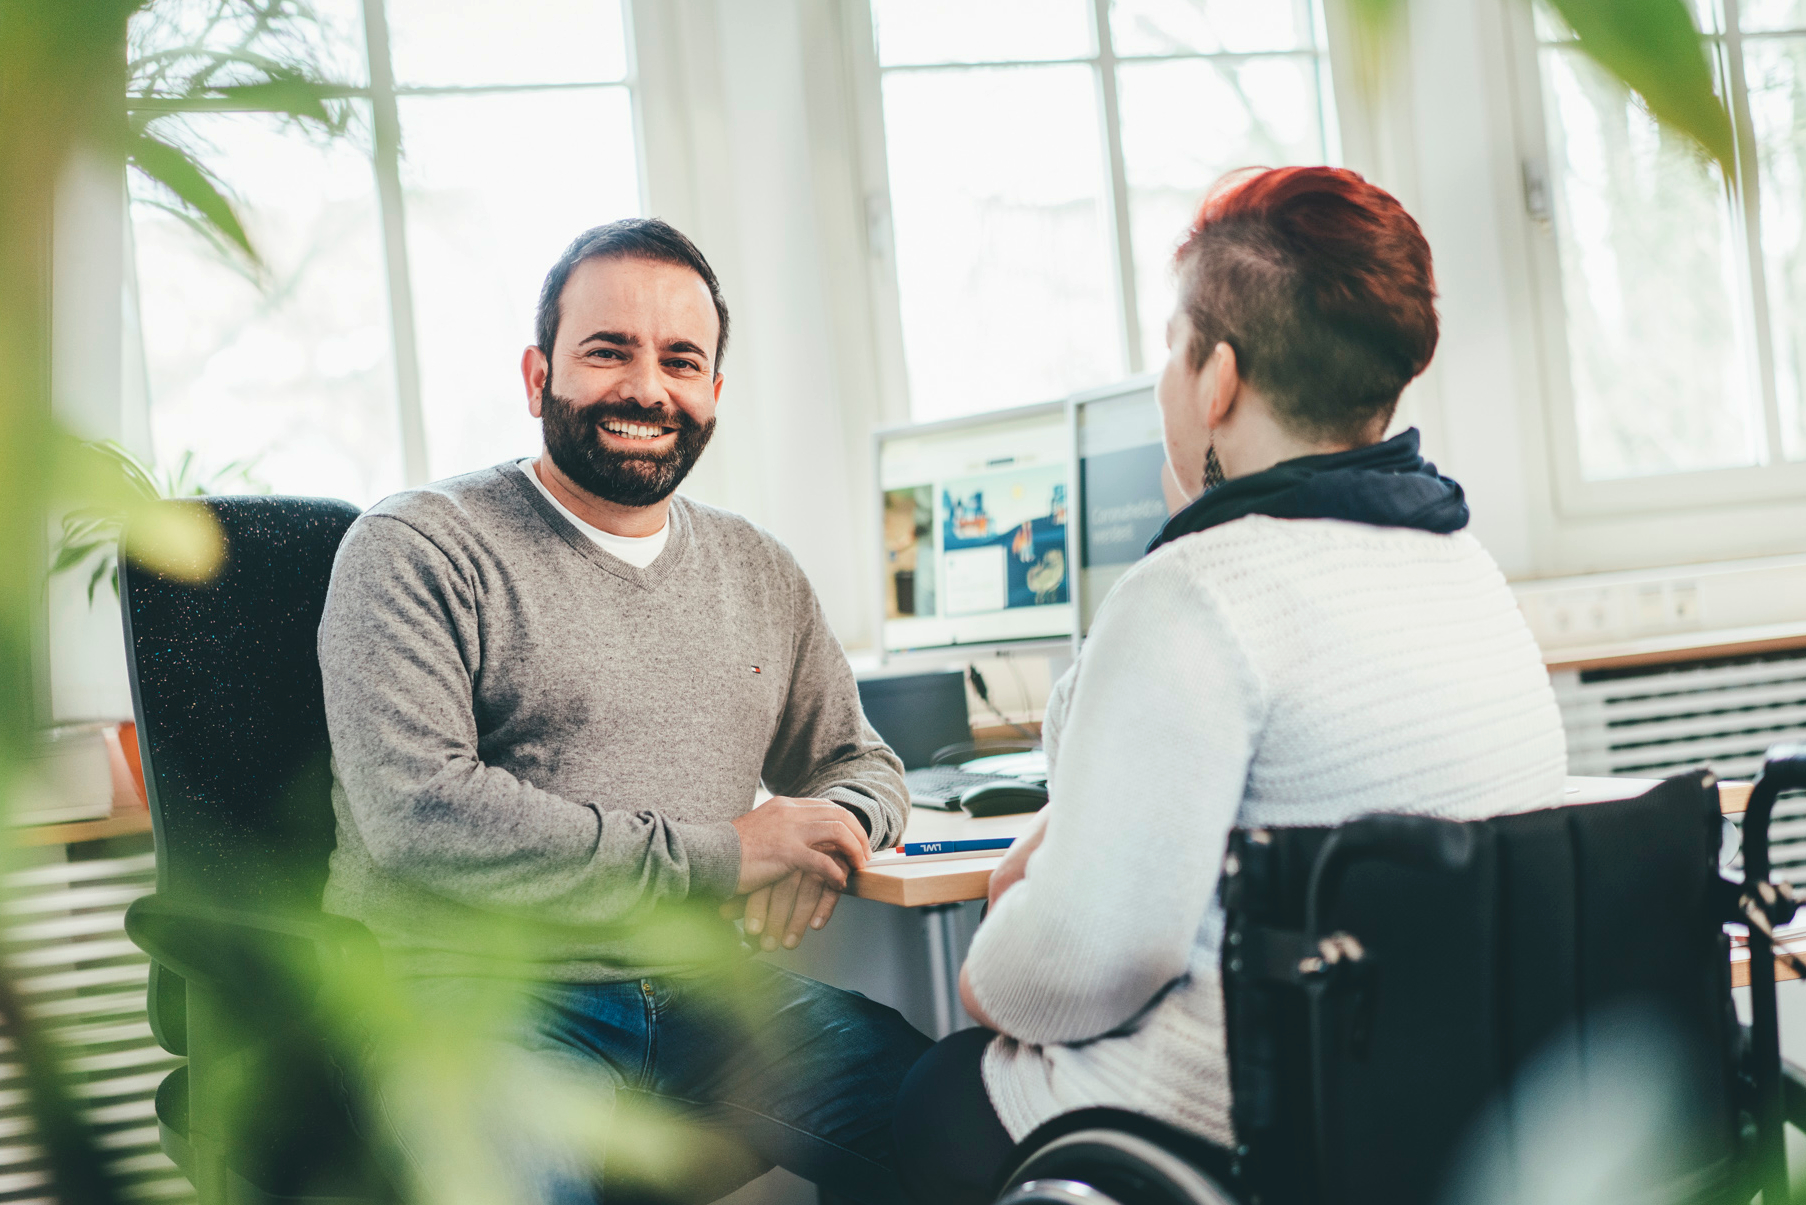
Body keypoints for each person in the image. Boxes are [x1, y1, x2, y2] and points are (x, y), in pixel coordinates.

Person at [891, 167, 1568, 1202]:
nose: (1167, 373)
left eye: (1173, 344)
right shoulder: (1459, 559)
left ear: (1218, 378)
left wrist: (989, 958)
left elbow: (1081, 963)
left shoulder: (1199, 593)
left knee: (924, 1097)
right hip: (1449, 1105)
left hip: (1257, 1116)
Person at [318, 218, 931, 1203]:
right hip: (476, 1001)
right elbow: (421, 815)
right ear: (537, 376)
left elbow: (862, 763)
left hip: (704, 998)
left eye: (680, 360)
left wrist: (829, 832)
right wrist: (735, 853)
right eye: (609, 351)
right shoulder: (418, 547)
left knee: (951, 1118)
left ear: (713, 395)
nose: (647, 387)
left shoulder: (758, 568)